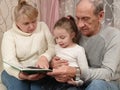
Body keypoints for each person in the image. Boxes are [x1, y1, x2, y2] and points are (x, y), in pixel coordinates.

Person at [47, 0, 120, 90]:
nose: (80, 25)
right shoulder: (74, 34)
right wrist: (53, 63)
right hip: (76, 81)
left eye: (86, 19)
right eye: (78, 18)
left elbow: (108, 74)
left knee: (97, 85)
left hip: (105, 83)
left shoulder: (114, 36)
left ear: (100, 16)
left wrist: (77, 72)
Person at [1, 0, 55, 90]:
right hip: (14, 72)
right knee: (20, 87)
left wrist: (44, 57)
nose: (32, 26)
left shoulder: (43, 26)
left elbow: (52, 47)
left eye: (34, 21)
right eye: (26, 23)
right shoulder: (9, 35)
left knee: (37, 88)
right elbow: (9, 62)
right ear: (17, 22)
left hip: (38, 71)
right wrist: (23, 76)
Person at [52, 15, 88, 86]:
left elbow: (84, 71)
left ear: (72, 35)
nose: (59, 41)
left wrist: (76, 82)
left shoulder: (78, 50)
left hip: (71, 82)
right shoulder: (55, 48)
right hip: (54, 82)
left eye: (62, 37)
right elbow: (51, 63)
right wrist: (51, 62)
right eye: (56, 38)